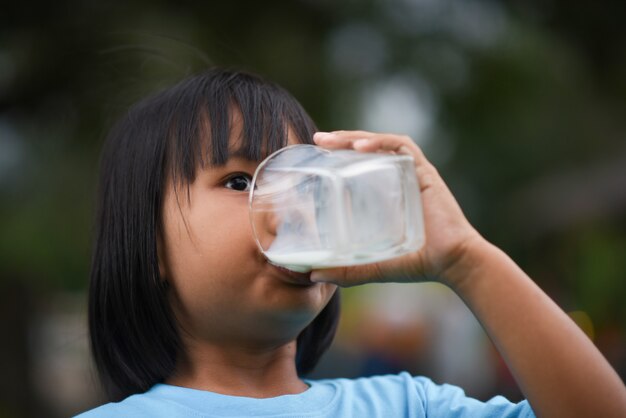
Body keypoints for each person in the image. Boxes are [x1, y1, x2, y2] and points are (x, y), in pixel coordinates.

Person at [76, 68, 626, 417]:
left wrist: (468, 259)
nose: (288, 206)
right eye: (241, 181)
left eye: (308, 184)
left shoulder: (410, 406)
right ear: (149, 248)